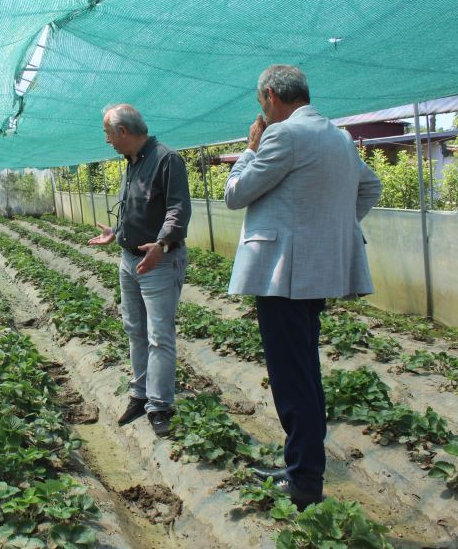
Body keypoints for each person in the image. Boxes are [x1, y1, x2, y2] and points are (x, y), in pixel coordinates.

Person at [224, 65, 382, 508]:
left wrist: (251, 149)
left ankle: (304, 483)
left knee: (293, 381)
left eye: (261, 105)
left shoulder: (283, 135)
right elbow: (370, 188)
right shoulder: (338, 137)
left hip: (282, 275)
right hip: (312, 273)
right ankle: (302, 469)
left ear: (271, 96)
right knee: (305, 374)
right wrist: (332, 232)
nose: (262, 113)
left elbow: (235, 194)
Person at [88, 104, 190, 438]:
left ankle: (160, 405)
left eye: (107, 133)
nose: (107, 141)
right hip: (129, 260)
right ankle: (140, 393)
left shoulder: (166, 159)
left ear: (123, 132)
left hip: (157, 260)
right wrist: (116, 233)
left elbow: (177, 210)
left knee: (159, 334)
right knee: (135, 329)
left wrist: (161, 244)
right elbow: (139, 210)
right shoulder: (131, 164)